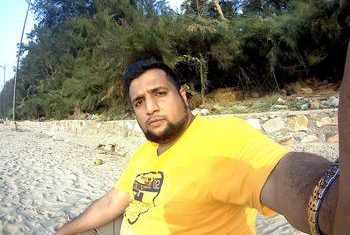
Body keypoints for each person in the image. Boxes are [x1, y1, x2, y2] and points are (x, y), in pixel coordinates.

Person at [55, 40, 350, 235]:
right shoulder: (145, 152)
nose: (150, 108)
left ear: (183, 96)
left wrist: (331, 197)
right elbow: (111, 203)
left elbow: (281, 177)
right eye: (139, 102)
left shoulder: (222, 137)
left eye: (159, 94)